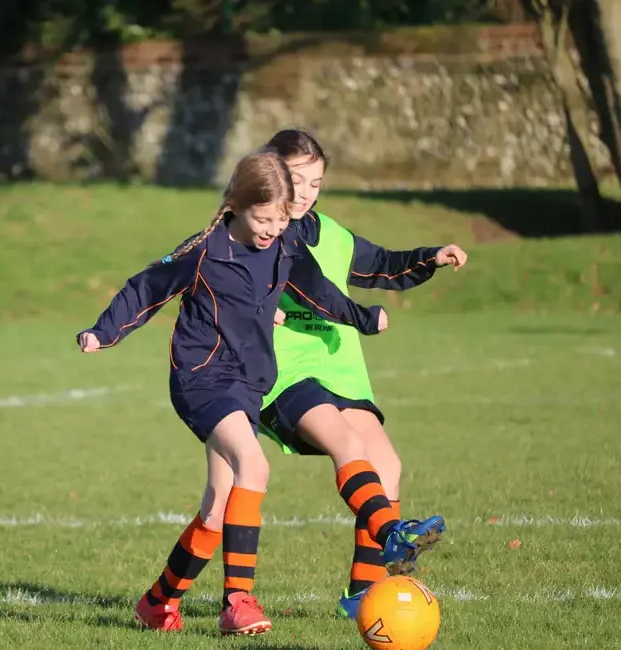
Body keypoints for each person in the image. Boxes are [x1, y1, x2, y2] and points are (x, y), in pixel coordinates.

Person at [78, 149, 391, 636]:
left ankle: (158, 603)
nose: (271, 229)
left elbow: (319, 292)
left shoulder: (286, 247)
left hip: (248, 383)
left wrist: (362, 317)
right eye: (262, 218)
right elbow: (145, 288)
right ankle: (238, 603)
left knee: (219, 506)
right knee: (254, 465)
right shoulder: (204, 249)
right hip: (201, 378)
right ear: (236, 206)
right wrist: (103, 332)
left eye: (280, 219)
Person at [258, 128, 467, 619]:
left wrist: (429, 258)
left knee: (387, 465)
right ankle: (393, 534)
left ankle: (361, 596)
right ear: (271, 174)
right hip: (288, 372)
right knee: (348, 448)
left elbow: (383, 265)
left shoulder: (331, 232)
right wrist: (361, 316)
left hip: (341, 370)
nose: (306, 192)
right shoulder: (260, 231)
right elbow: (309, 287)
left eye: (316, 182)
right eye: (296, 180)